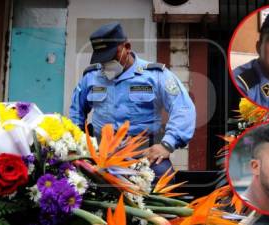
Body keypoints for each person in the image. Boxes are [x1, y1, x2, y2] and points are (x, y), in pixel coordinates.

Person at [69, 22, 196, 181]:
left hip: (144, 155)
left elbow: (183, 108)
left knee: (164, 180)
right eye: (102, 60)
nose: (105, 64)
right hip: (100, 153)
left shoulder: (155, 75)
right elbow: (76, 111)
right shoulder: (91, 77)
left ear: (127, 47)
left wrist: (167, 144)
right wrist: (77, 145)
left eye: (110, 58)